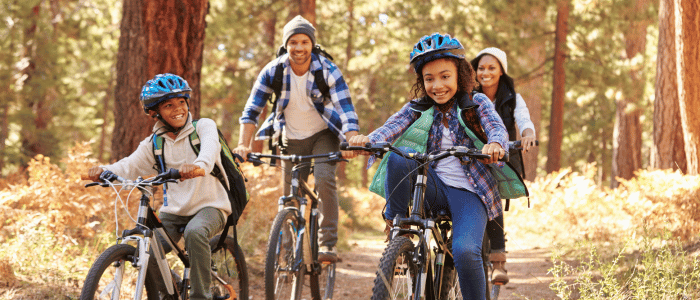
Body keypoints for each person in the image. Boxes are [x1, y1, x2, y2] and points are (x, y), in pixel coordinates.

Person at [348, 33, 508, 299]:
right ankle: (400, 230)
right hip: (433, 188)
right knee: (401, 154)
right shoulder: (419, 107)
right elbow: (391, 128)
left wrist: (495, 144)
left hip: (469, 193)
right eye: (429, 79)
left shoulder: (476, 102)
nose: (437, 85)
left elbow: (495, 127)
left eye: (445, 76)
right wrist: (368, 141)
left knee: (466, 252)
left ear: (460, 75)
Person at [87, 73, 231, 300]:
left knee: (195, 233)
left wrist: (197, 166)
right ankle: (167, 291)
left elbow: (210, 152)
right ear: (155, 112)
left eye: (181, 102)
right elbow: (129, 165)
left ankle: (200, 297)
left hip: (211, 206)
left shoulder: (203, 127)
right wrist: (104, 171)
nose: (178, 109)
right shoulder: (155, 143)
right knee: (149, 250)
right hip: (174, 211)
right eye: (169, 105)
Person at [233, 15, 359, 262]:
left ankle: (328, 244)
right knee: (290, 197)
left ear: (312, 44)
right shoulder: (273, 71)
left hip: (324, 134)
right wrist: (243, 145)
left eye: (304, 41)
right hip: (290, 137)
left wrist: (351, 140)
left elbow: (346, 110)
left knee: (324, 178)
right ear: (286, 44)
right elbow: (251, 111)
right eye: (293, 42)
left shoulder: (328, 70)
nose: (299, 48)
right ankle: (290, 254)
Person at [471, 47, 537, 284]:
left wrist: (528, 135)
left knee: (492, 192)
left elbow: (524, 121)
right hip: (470, 156)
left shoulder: (513, 99)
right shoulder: (467, 95)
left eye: (491, 68)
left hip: (501, 159)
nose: (485, 72)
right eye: (481, 68)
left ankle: (498, 261)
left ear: (501, 72)